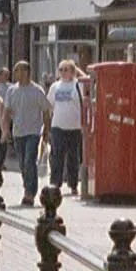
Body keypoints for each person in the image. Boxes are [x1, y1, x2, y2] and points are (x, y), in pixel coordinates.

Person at [4, 61, 50, 207]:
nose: (16, 74)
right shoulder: (11, 91)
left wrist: (46, 131)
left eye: (18, 71)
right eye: (15, 71)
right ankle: (27, 187)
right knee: (23, 164)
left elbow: (46, 111)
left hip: (33, 132)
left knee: (29, 160)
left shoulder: (37, 90)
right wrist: (5, 130)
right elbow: (7, 111)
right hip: (18, 132)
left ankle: (30, 193)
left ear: (26, 72)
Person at [48, 60, 85, 195]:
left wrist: (78, 71)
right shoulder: (55, 86)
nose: (63, 72)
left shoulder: (78, 85)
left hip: (74, 127)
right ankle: (55, 184)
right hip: (57, 126)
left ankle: (73, 184)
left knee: (73, 158)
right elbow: (50, 105)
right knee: (57, 156)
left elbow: (87, 85)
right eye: (61, 69)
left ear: (73, 71)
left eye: (66, 69)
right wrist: (46, 126)